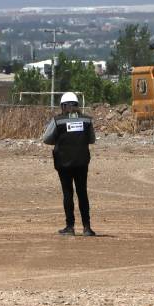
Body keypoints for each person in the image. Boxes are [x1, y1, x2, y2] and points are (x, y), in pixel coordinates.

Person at [41, 92, 96, 236]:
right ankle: (87, 228)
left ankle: (70, 227)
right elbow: (92, 140)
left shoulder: (58, 121)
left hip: (63, 162)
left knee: (68, 194)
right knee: (82, 193)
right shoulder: (87, 120)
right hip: (82, 162)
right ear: (77, 105)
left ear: (63, 106)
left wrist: (60, 140)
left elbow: (46, 139)